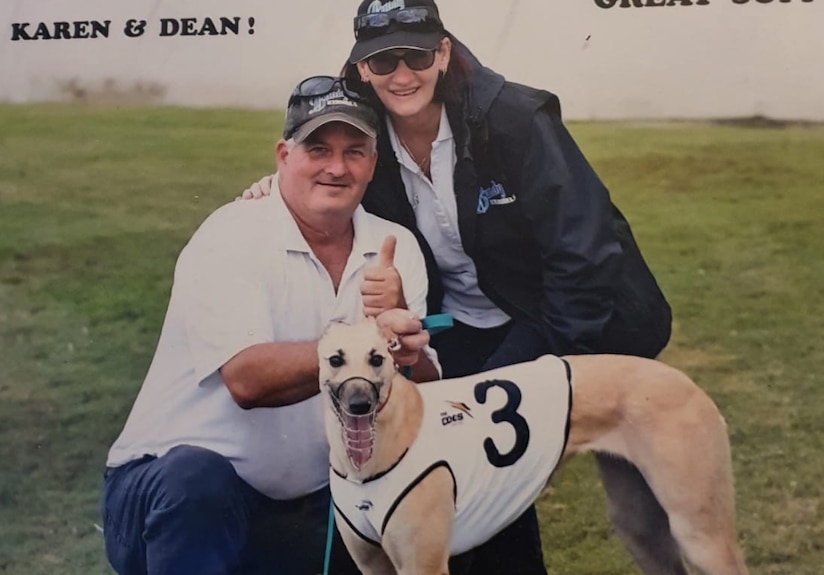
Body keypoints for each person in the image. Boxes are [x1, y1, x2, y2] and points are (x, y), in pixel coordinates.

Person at [240, 1, 676, 574]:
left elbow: (584, 251)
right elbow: (329, 166)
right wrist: (279, 186)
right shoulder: (369, 135)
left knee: (644, 517)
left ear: (442, 52)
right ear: (361, 68)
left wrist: (547, 375)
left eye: (416, 55)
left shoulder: (516, 116)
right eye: (381, 59)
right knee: (471, 472)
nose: (401, 74)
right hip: (466, 327)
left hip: (580, 322)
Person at [101, 75, 441, 575]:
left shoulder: (393, 246)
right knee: (196, 479)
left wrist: (406, 352)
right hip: (167, 496)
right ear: (284, 156)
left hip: (304, 500)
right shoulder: (232, 233)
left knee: (407, 489)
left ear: (373, 163)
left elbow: (419, 402)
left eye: (355, 151)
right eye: (317, 148)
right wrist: (371, 340)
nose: (336, 167)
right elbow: (248, 379)